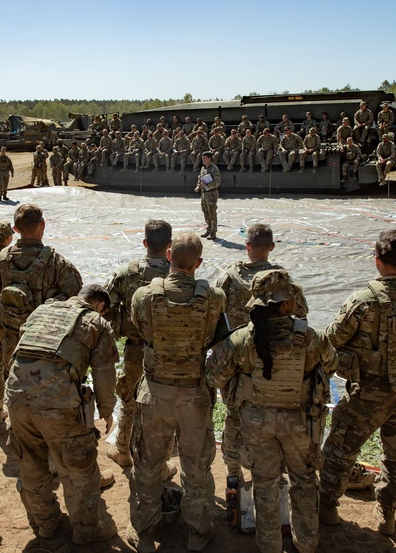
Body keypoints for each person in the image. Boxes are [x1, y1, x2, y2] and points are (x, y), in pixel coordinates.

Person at [319, 230, 396, 535]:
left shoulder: (363, 300)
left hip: (370, 392)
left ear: (376, 261)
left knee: (341, 448)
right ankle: (387, 515)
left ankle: (328, 508)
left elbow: (333, 338)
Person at [206, 269, 335, 553]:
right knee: (303, 481)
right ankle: (307, 543)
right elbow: (331, 366)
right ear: (288, 302)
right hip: (301, 423)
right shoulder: (311, 337)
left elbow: (214, 376)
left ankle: (269, 546)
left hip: (256, 424)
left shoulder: (241, 340)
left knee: (265, 484)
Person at [127, 233, 227, 553]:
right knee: (196, 465)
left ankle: (144, 532)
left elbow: (140, 330)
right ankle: (198, 533)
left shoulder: (144, 296)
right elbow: (216, 337)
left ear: (169, 256)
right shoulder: (214, 297)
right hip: (194, 394)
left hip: (154, 392)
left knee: (147, 463)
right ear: (198, 263)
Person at [6, 285, 119, 544]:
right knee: (78, 467)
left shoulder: (42, 310)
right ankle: (86, 529)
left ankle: (46, 524)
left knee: (31, 463)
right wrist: (106, 409)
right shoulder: (97, 322)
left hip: (16, 395)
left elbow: (20, 353)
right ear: (101, 305)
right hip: (59, 402)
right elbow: (104, 372)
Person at [0, 204, 82, 423]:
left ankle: (17, 432)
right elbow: (76, 303)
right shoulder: (58, 264)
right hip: (47, 350)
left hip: (11, 346)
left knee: (16, 395)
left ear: (15, 229)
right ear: (42, 226)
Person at [213, 223, 286, 481]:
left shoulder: (229, 277)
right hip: (272, 362)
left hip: (236, 361)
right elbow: (299, 315)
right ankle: (270, 473)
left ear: (247, 246)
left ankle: (233, 475)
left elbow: (214, 311)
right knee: (272, 417)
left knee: (234, 417)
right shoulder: (281, 279)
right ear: (271, 247)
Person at [104, 219, 172, 469]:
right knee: (162, 405)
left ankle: (123, 450)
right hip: (167, 351)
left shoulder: (126, 273)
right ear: (169, 246)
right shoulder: (177, 273)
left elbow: (105, 307)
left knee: (130, 400)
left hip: (135, 349)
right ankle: (161, 463)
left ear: (144, 243)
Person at [194, 151, 222, 240]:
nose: (203, 159)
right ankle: (209, 229)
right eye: (202, 158)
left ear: (210, 158)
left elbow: (217, 182)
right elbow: (200, 179)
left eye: (205, 158)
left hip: (211, 193)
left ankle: (213, 232)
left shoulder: (214, 169)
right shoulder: (203, 168)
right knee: (205, 212)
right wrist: (198, 187)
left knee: (212, 213)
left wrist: (207, 185)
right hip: (204, 193)